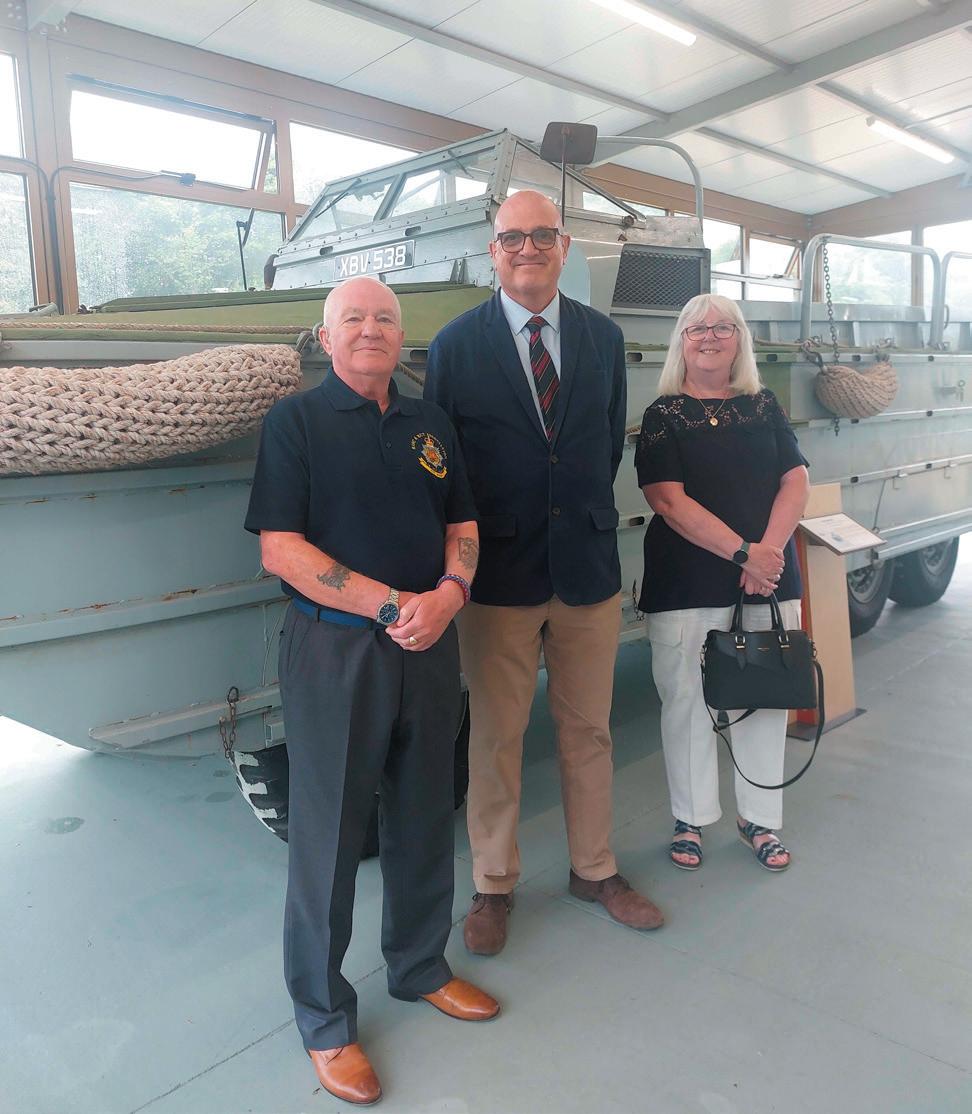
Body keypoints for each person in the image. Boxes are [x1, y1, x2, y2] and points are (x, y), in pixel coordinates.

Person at [245, 275, 498, 1106]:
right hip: (339, 651)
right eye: (352, 318)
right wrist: (390, 605)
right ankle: (324, 1019)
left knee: (424, 812)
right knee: (329, 835)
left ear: (400, 336)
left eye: (384, 318)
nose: (369, 329)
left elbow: (462, 524)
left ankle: (420, 966)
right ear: (326, 339)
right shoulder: (296, 423)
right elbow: (280, 549)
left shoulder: (431, 424)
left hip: (430, 641)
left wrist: (450, 595)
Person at [425, 189, 664, 956]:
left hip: (586, 571)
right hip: (497, 577)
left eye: (541, 235)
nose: (526, 248)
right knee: (495, 738)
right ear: (492, 252)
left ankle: (595, 870)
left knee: (588, 731)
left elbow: (604, 443)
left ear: (564, 247)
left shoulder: (602, 337)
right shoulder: (455, 346)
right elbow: (444, 467)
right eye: (511, 238)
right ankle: (493, 884)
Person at [635, 293, 811, 874]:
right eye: (696, 328)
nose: (709, 336)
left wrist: (767, 555)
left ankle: (758, 818)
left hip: (765, 580)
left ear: (740, 340)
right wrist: (744, 553)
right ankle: (690, 818)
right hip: (687, 582)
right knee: (686, 702)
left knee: (763, 699)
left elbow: (795, 480)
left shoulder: (763, 405)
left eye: (722, 327)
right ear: (680, 342)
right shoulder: (664, 414)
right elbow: (667, 499)